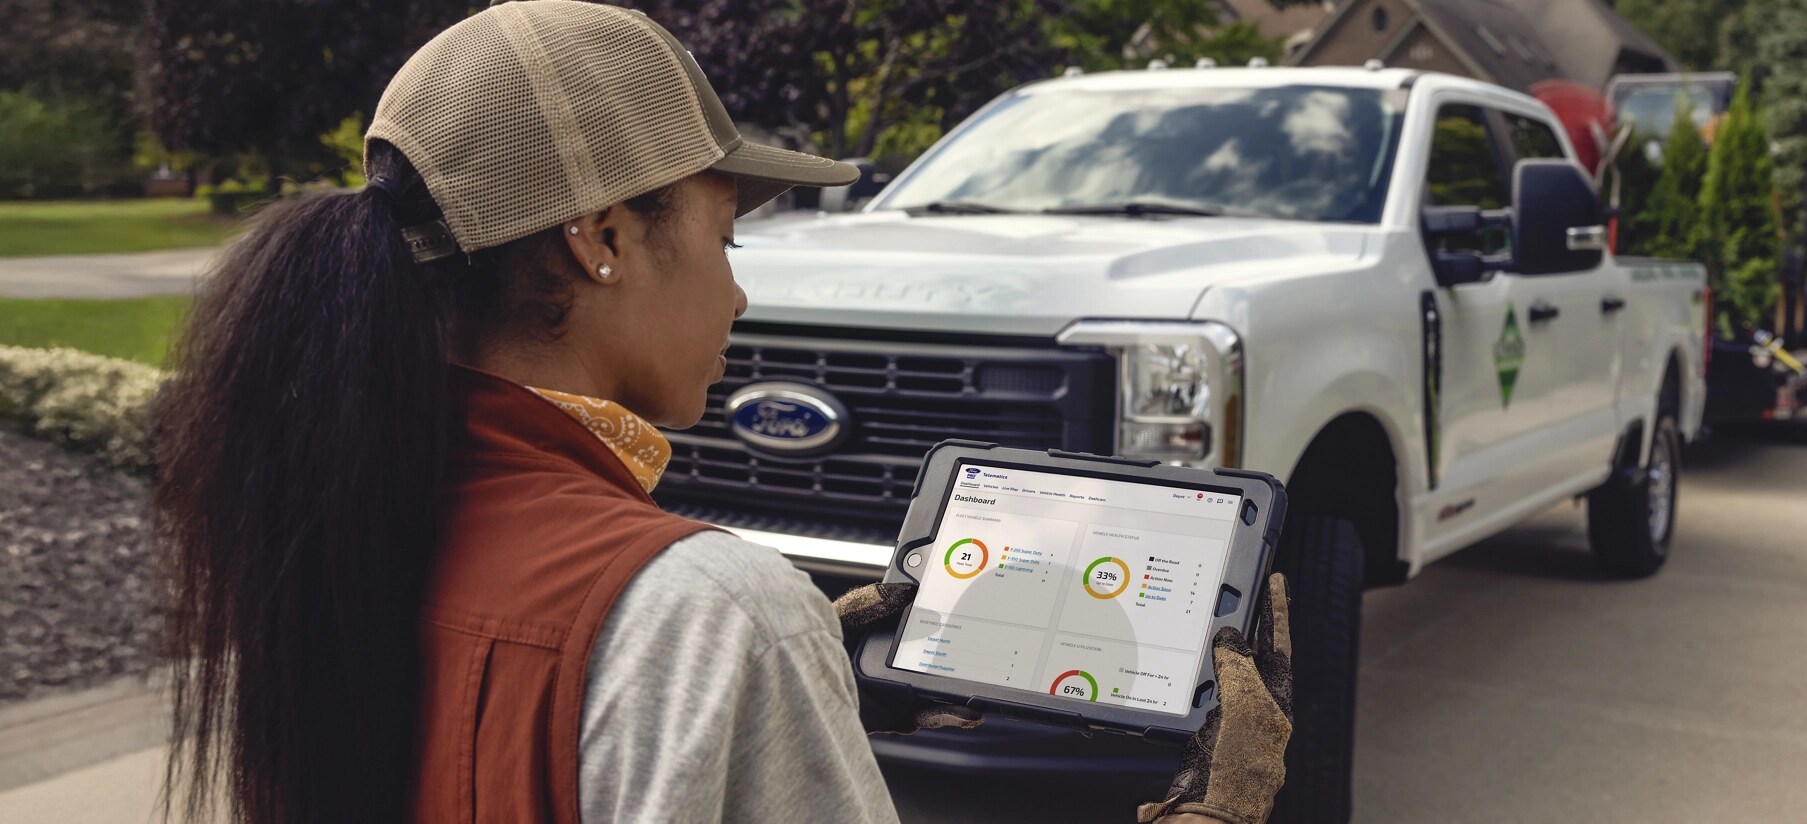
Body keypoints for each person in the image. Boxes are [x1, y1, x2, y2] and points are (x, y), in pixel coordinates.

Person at [151, 2, 1294, 823]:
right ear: (600, 238)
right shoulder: (711, 607)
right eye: (726, 235)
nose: (739, 291)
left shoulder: (327, 521)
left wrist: (776, 677)